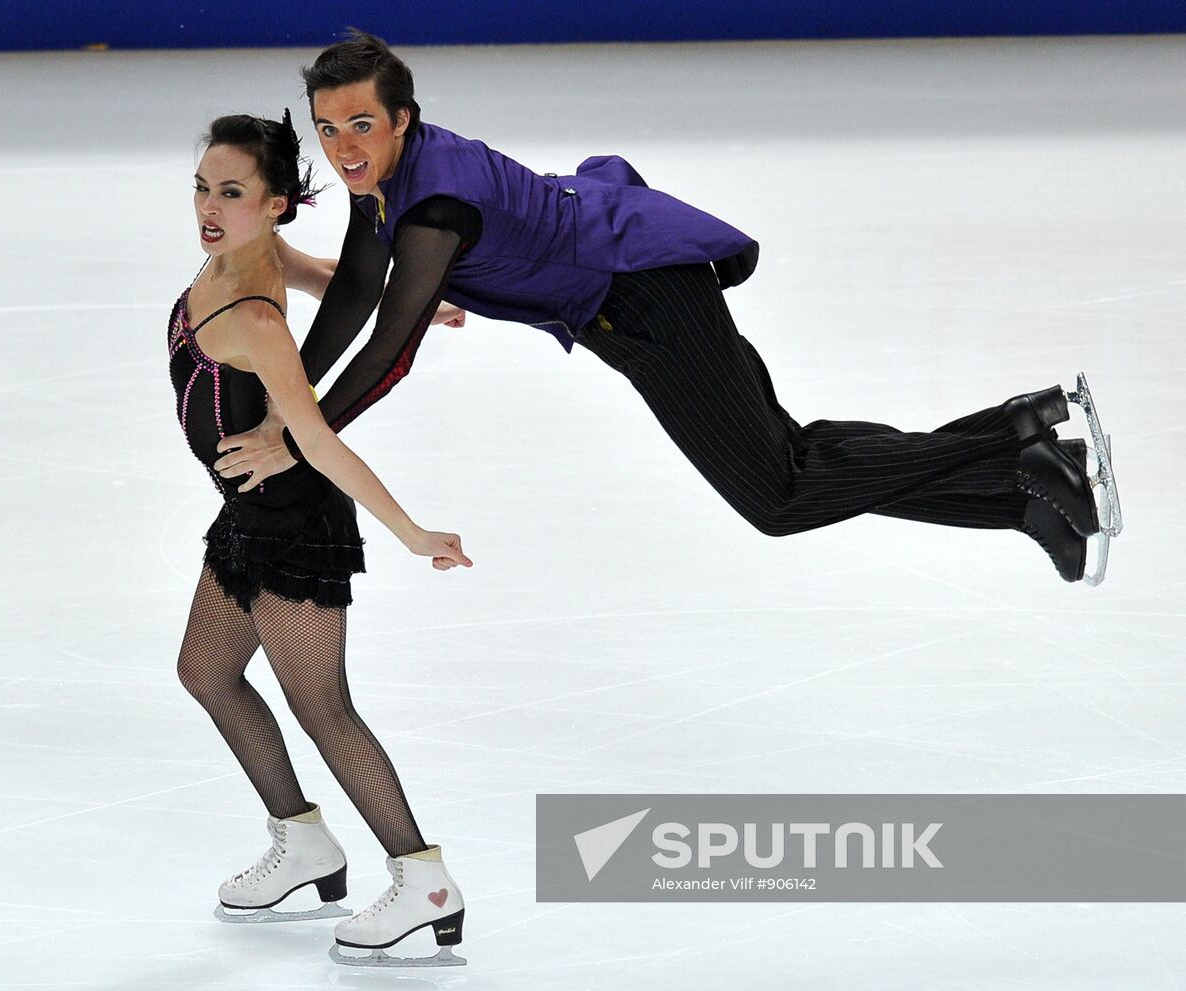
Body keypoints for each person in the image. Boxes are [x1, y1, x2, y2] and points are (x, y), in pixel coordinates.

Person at [213, 30, 1118, 592]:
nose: (343, 149)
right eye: (326, 129)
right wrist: (296, 384)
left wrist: (297, 432)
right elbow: (356, 301)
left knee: (777, 495)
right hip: (617, 303)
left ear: (404, 118)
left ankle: (1015, 440)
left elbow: (389, 353)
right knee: (791, 461)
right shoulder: (384, 189)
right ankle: (1023, 493)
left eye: (361, 125)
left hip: (642, 286)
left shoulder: (433, 205)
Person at [169, 111, 468, 968]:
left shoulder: (256, 318)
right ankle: (302, 843)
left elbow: (323, 441)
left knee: (321, 705)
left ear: (276, 204)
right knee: (206, 671)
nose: (209, 208)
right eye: (202, 187)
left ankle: (423, 879)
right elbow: (339, 275)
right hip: (247, 513)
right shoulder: (250, 257)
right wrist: (422, 302)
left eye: (232, 193)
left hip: (295, 524)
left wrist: (412, 532)